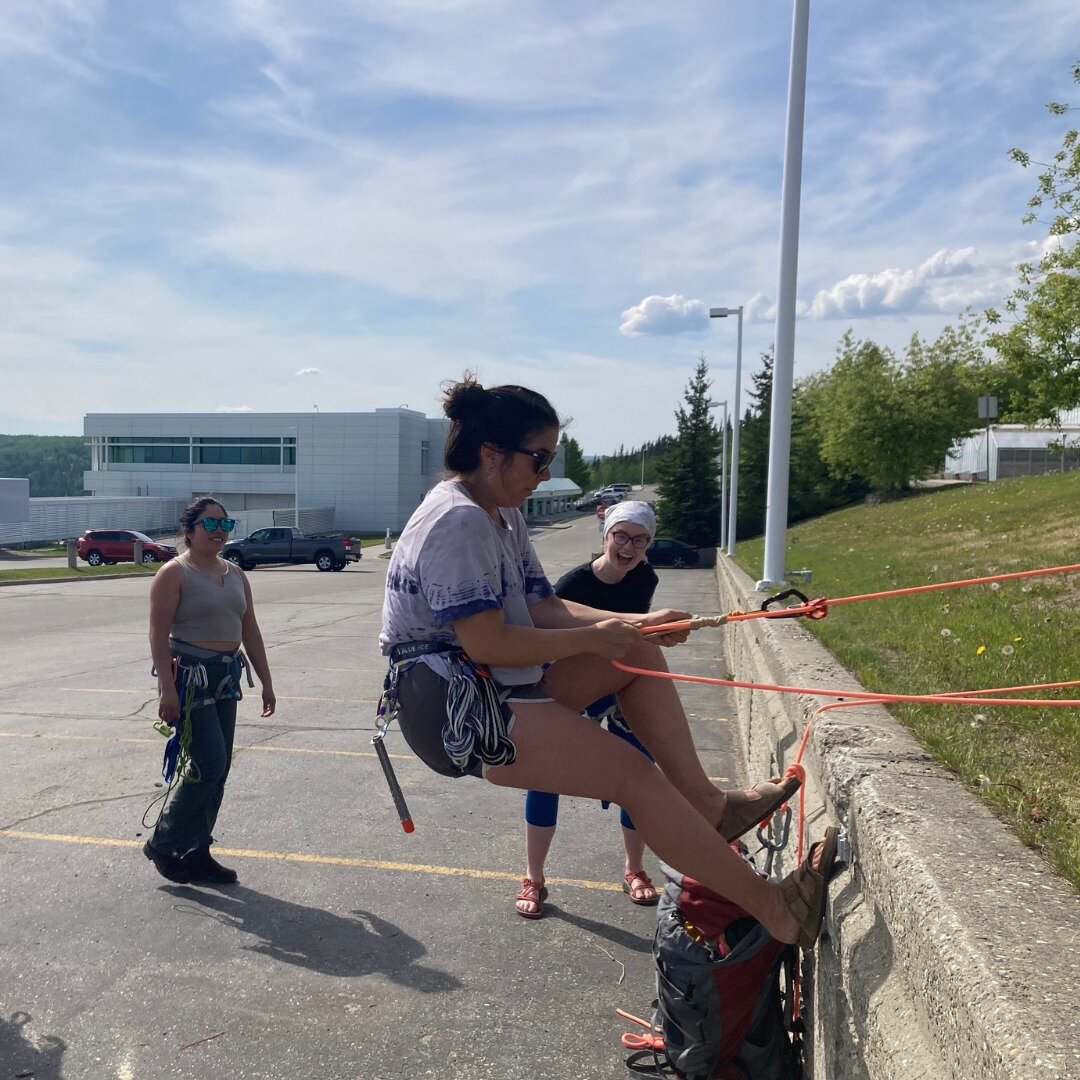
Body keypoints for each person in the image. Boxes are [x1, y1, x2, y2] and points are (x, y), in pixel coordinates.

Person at [379, 375, 836, 949]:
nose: (546, 474)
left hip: (485, 687)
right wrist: (597, 637)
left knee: (637, 652)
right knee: (634, 777)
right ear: (491, 454)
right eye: (539, 459)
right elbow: (489, 644)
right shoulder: (459, 519)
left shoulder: (499, 511)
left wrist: (639, 627)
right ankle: (780, 912)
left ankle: (711, 809)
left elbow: (543, 607)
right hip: (456, 712)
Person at [516, 499, 662, 918]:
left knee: (640, 766)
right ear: (606, 537)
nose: (628, 547)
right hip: (567, 684)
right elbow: (548, 638)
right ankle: (534, 876)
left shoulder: (644, 577)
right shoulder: (574, 583)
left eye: (639, 539)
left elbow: (631, 638)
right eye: (621, 536)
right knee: (544, 777)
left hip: (614, 684)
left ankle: (634, 869)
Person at [143, 497, 276, 885]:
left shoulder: (235, 573)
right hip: (191, 679)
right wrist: (166, 691)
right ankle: (165, 841)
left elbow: (249, 629)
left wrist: (267, 681)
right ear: (189, 530)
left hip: (226, 678)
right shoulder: (174, 573)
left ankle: (197, 851)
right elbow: (157, 634)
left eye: (225, 524)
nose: (219, 531)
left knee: (220, 770)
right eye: (210, 524)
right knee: (209, 764)